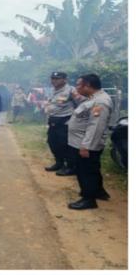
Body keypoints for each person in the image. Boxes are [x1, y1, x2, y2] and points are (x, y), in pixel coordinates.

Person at [66, 73, 113, 210]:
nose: (76, 87)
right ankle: (98, 192)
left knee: (85, 172)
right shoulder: (93, 98)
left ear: (88, 86)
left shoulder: (100, 102)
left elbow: (96, 126)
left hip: (86, 145)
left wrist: (86, 146)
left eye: (79, 85)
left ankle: (88, 199)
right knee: (92, 169)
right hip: (82, 142)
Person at [44, 72, 83, 175]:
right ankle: (59, 163)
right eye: (53, 78)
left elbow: (81, 104)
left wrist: (76, 118)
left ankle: (70, 167)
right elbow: (50, 103)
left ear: (65, 80)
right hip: (53, 120)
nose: (54, 80)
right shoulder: (52, 90)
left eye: (57, 78)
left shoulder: (71, 90)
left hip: (65, 121)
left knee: (65, 145)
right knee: (52, 143)